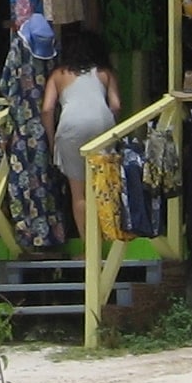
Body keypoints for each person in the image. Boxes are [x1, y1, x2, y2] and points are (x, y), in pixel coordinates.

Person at [41, 31, 121, 236]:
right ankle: (109, 239)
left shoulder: (58, 75)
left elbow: (47, 109)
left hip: (71, 128)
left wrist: (52, 142)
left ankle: (88, 248)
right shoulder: (105, 72)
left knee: (79, 193)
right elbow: (116, 105)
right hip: (102, 125)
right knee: (102, 186)